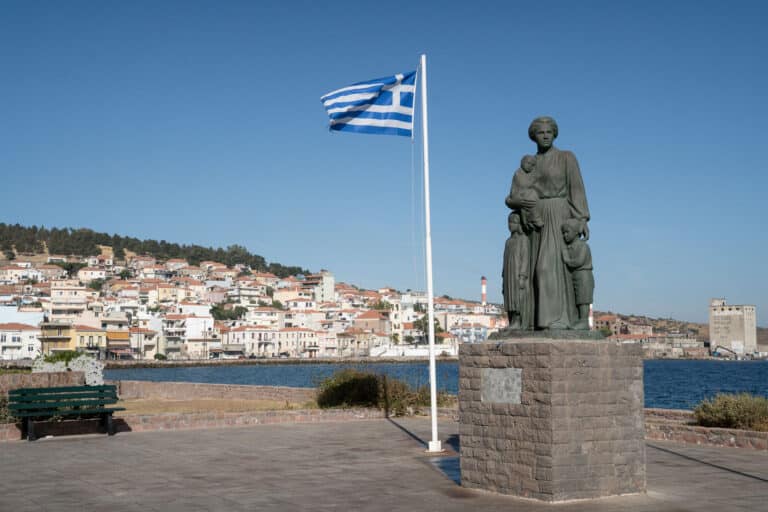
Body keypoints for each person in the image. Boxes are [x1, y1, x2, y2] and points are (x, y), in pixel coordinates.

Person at [506, 116, 590, 329]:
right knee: (532, 272)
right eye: (540, 132)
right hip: (533, 221)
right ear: (533, 136)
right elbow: (513, 195)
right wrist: (522, 203)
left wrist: (580, 219)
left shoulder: (566, 158)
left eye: (548, 132)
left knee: (547, 268)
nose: (545, 136)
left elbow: (577, 188)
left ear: (554, 134)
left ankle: (557, 320)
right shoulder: (529, 164)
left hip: (558, 216)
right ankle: (531, 322)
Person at [561, 218, 594, 330]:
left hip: (583, 275)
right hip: (575, 275)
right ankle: (578, 320)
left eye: (567, 232)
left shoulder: (583, 246)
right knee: (577, 298)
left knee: (583, 299)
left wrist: (567, 260)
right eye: (563, 233)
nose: (565, 235)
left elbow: (579, 261)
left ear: (575, 232)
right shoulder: (569, 247)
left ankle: (584, 321)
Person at [502, 213, 532, 329]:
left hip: (517, 273)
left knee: (517, 297)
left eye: (512, 222)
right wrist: (503, 274)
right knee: (509, 296)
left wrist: (522, 276)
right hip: (508, 273)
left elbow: (525, 258)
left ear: (518, 224)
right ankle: (512, 321)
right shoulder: (508, 241)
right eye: (509, 222)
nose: (510, 225)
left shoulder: (523, 239)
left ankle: (517, 321)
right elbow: (504, 258)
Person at [511, 155, 544, 230]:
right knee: (531, 197)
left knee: (532, 199)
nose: (530, 166)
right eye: (528, 163)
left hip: (525, 194)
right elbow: (524, 185)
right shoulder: (518, 173)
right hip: (518, 195)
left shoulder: (528, 174)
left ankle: (532, 219)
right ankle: (535, 219)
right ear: (522, 163)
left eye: (532, 165)